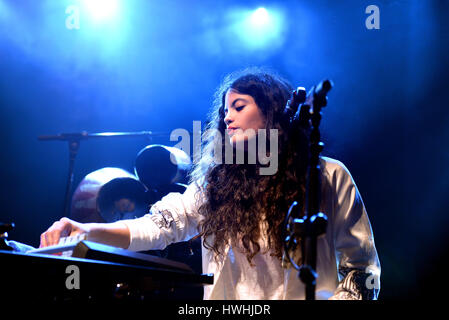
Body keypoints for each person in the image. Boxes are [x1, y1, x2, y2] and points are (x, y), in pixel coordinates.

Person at [39, 67, 381, 300]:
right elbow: (158, 228)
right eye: (224, 109)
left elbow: (363, 271)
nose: (227, 116)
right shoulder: (216, 183)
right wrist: (84, 231)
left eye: (239, 106)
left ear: (272, 113)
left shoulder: (328, 176)